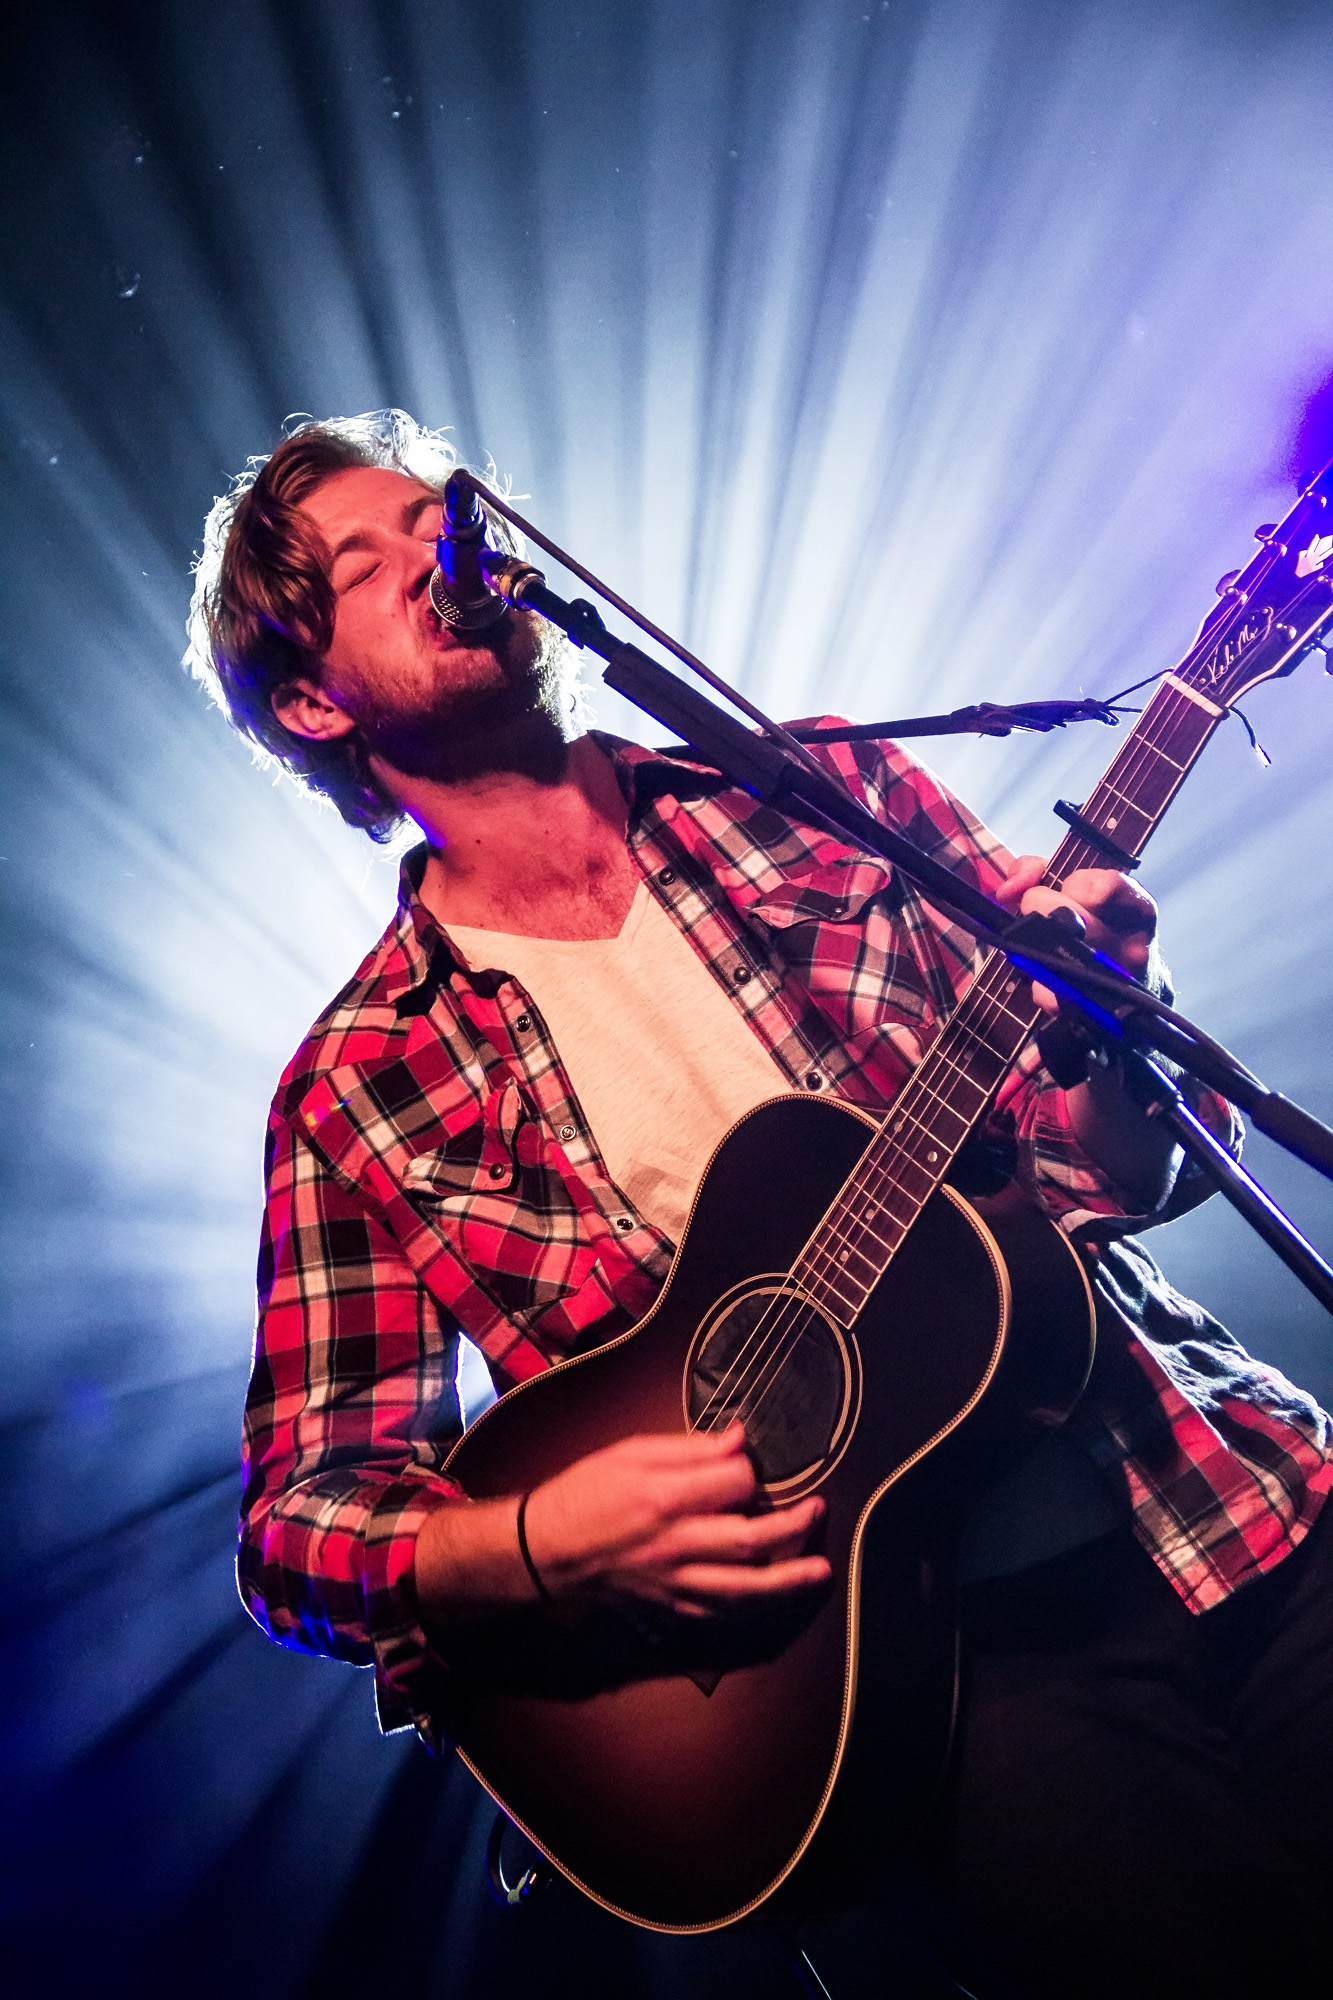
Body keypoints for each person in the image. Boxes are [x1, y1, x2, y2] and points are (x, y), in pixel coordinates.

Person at [188, 410, 1333, 1997]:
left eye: (442, 516)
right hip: (926, 1694)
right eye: (366, 562)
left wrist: (1110, 1028)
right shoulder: (358, 1085)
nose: (435, 555)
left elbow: (1101, 1176)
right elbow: (300, 1516)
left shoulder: (815, 787)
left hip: (1213, 1484)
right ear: (313, 698)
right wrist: (527, 1546)